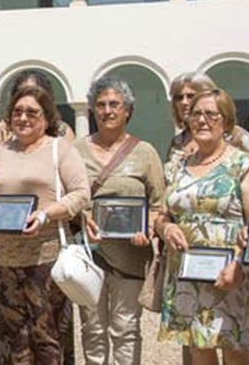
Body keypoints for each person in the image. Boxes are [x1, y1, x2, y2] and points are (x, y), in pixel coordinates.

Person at [0, 85, 89, 365]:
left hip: (45, 262)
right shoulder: (3, 150)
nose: (23, 118)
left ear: (47, 118)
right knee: (14, 341)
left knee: (47, 341)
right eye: (17, 112)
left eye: (31, 112)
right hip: (6, 264)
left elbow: (81, 193)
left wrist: (45, 215)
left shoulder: (59, 149)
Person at [155, 88, 249, 365]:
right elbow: (162, 214)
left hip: (229, 272)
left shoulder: (244, 164)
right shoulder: (179, 166)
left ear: (226, 121)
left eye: (211, 114)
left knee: (234, 348)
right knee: (197, 347)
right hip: (186, 272)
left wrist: (240, 265)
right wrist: (166, 229)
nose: (202, 120)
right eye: (196, 114)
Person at [76, 77, 166, 365]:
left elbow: (158, 202)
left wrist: (148, 227)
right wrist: (83, 216)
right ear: (92, 110)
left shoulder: (145, 152)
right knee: (92, 328)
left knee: (126, 328)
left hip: (131, 255)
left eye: (114, 104)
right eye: (100, 105)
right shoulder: (76, 151)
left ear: (127, 110)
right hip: (90, 254)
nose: (107, 110)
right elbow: (67, 197)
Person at [166, 72, 249, 161]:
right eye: (179, 98)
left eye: (190, 96)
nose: (184, 102)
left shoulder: (236, 136)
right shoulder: (177, 143)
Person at [0, 69, 76, 155]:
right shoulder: (3, 129)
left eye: (34, 92)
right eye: (23, 92)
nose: (28, 97)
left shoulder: (62, 130)